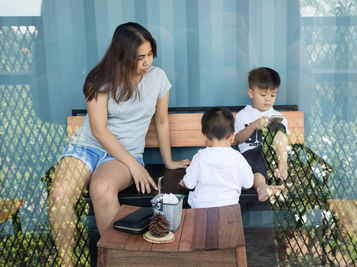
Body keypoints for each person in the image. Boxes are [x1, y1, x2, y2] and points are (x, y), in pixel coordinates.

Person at [48, 22, 190, 266]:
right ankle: (67, 262)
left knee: (102, 189)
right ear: (122, 57)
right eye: (140, 58)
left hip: (122, 156)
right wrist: (134, 167)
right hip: (86, 148)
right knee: (59, 196)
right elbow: (99, 130)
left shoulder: (157, 78)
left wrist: (168, 161)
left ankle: (116, 260)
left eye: (150, 54)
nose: (148, 63)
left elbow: (162, 120)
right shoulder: (99, 79)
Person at [179, 107, 254, 208]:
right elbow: (248, 184)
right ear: (232, 136)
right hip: (230, 209)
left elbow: (189, 184)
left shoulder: (200, 157)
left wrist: (184, 184)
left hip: (201, 209)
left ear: (204, 136)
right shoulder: (237, 158)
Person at [235, 67, 289, 202]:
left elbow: (284, 141)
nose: (268, 100)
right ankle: (262, 187)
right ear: (251, 93)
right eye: (263, 95)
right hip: (249, 155)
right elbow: (238, 139)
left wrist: (282, 159)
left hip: (270, 157)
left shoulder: (278, 116)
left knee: (278, 130)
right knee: (256, 164)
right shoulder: (243, 115)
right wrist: (254, 126)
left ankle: (282, 167)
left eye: (273, 95)